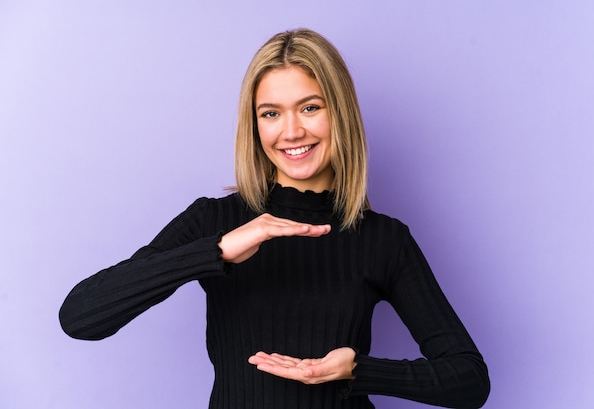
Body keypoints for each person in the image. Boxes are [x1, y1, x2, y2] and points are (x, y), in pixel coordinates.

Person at [59, 28, 490, 408]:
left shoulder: (383, 239)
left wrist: (359, 370)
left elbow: (470, 381)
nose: (291, 132)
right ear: (255, 125)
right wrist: (217, 251)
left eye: (310, 108)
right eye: (271, 113)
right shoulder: (215, 220)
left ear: (340, 114)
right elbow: (80, 317)